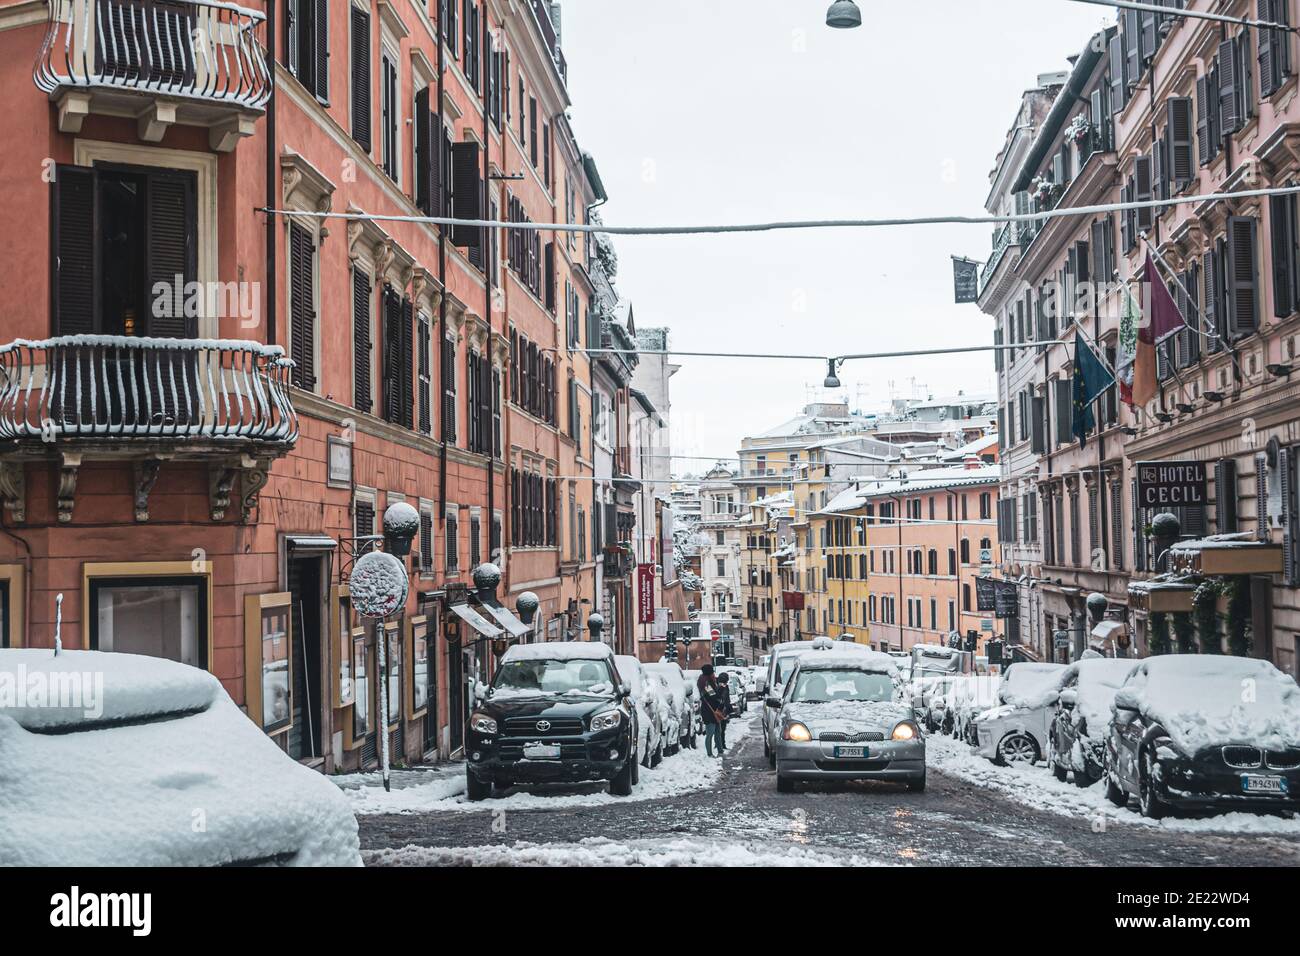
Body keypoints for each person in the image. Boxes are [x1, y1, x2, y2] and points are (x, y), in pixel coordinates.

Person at [696, 665, 725, 757]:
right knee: (710, 733)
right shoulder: (705, 683)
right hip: (709, 711)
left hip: (713, 710)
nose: (714, 674)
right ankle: (709, 754)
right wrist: (721, 689)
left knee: (718, 732)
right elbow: (712, 696)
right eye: (712, 672)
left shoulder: (709, 681)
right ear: (709, 673)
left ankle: (720, 751)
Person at [717, 672, 734, 751]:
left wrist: (728, 708)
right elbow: (716, 697)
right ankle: (719, 744)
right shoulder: (716, 686)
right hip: (718, 710)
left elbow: (727, 698)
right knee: (719, 729)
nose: (725, 683)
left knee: (723, 729)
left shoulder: (726, 687)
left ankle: (722, 744)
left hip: (723, 710)